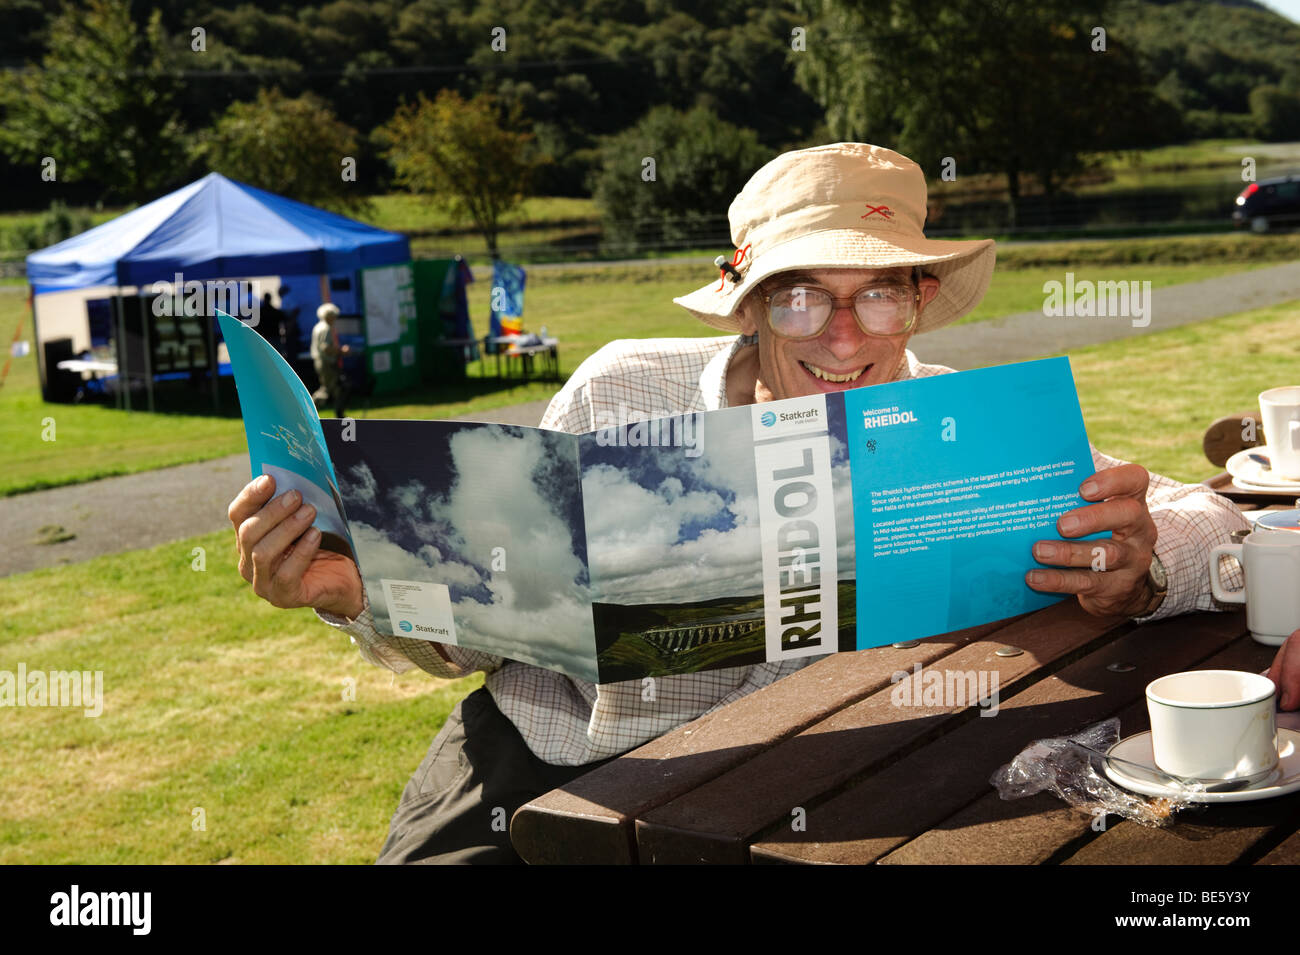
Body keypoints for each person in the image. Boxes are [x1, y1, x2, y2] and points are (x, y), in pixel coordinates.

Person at [229, 142, 1277, 865]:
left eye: (878, 291)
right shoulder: (616, 387)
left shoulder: (956, 418)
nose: (844, 333)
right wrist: (358, 593)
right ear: (748, 300)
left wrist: (1141, 565)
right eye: (799, 292)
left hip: (818, 776)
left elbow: (1215, 519)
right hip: (545, 758)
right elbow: (471, 627)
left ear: (917, 298)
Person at [309, 302, 350, 418]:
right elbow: (325, 348)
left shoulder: (318, 327)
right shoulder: (326, 328)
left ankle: (339, 413)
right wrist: (341, 350)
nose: (335, 319)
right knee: (327, 389)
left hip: (320, 361)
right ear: (329, 316)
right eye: (334, 316)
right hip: (326, 362)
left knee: (334, 388)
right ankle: (310, 409)